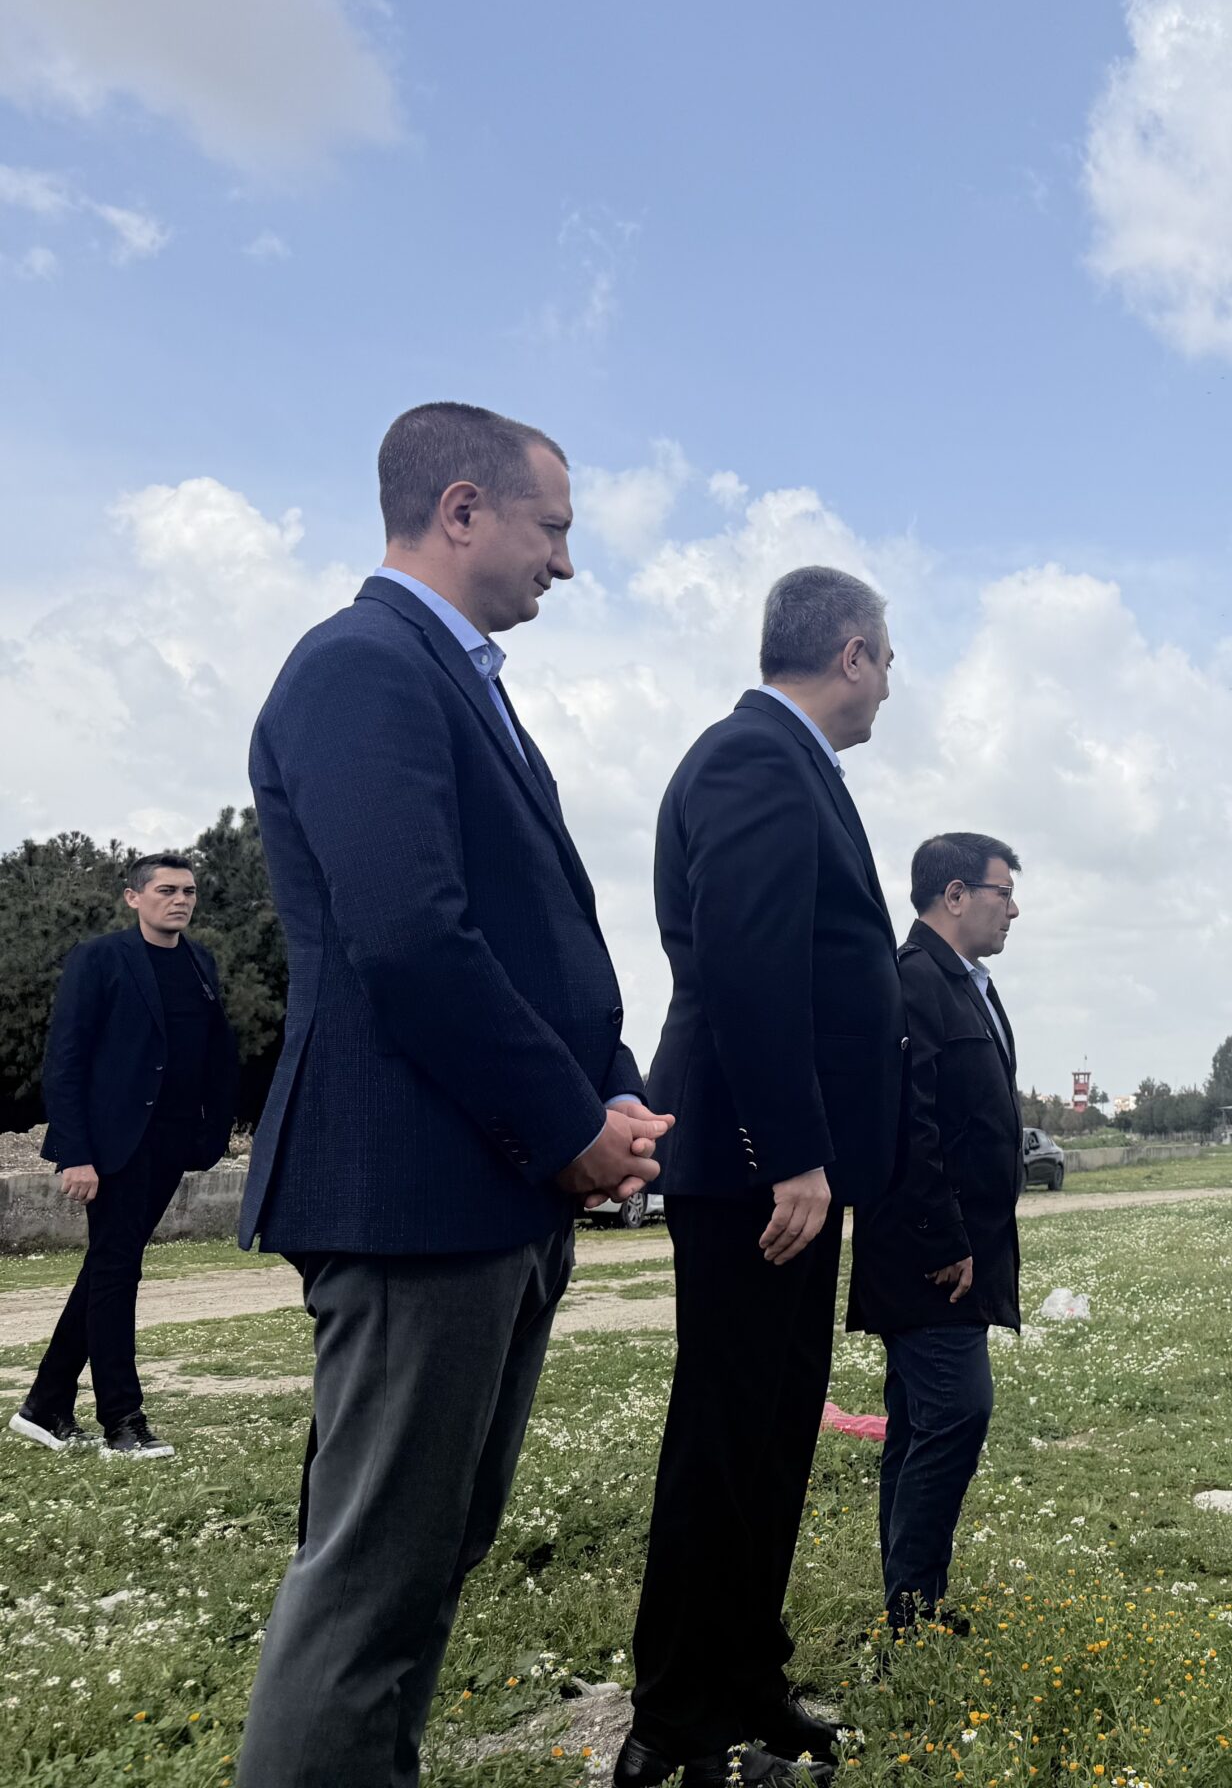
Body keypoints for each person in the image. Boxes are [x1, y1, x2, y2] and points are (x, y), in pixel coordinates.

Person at [233, 403, 668, 1788]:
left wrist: (610, 1091)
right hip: (417, 1192)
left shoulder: (455, 677)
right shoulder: (363, 665)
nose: (566, 564)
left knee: (427, 1559)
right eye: (555, 530)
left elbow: (528, 932)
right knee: (371, 1577)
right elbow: (410, 938)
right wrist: (565, 1123)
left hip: (484, 1190)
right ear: (463, 508)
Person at [615, 566, 905, 1788]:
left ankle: (745, 1674)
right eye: (887, 659)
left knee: (775, 1435)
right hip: (758, 1179)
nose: (891, 683)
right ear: (851, 653)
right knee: (728, 1439)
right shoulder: (754, 760)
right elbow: (745, 966)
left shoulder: (792, 768)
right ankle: (674, 1722)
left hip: (790, 1178)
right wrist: (787, 1154)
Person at [853, 831, 1027, 1640]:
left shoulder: (966, 984)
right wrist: (944, 1238)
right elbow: (906, 1127)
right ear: (954, 895)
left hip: (961, 1249)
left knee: (921, 1421)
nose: (1013, 909)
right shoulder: (912, 981)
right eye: (1002, 893)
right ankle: (911, 1611)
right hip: (930, 1256)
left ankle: (909, 1604)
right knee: (957, 1412)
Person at [13, 852, 240, 1459]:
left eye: (189, 891)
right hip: (112, 1145)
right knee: (117, 1270)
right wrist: (76, 1154)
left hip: (170, 1143)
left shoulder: (200, 962)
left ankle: (46, 1405)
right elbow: (66, 1061)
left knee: (108, 1269)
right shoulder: (101, 958)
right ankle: (122, 1421)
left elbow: (214, 1053)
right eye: (166, 890)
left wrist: (211, 1132)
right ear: (132, 897)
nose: (181, 900)